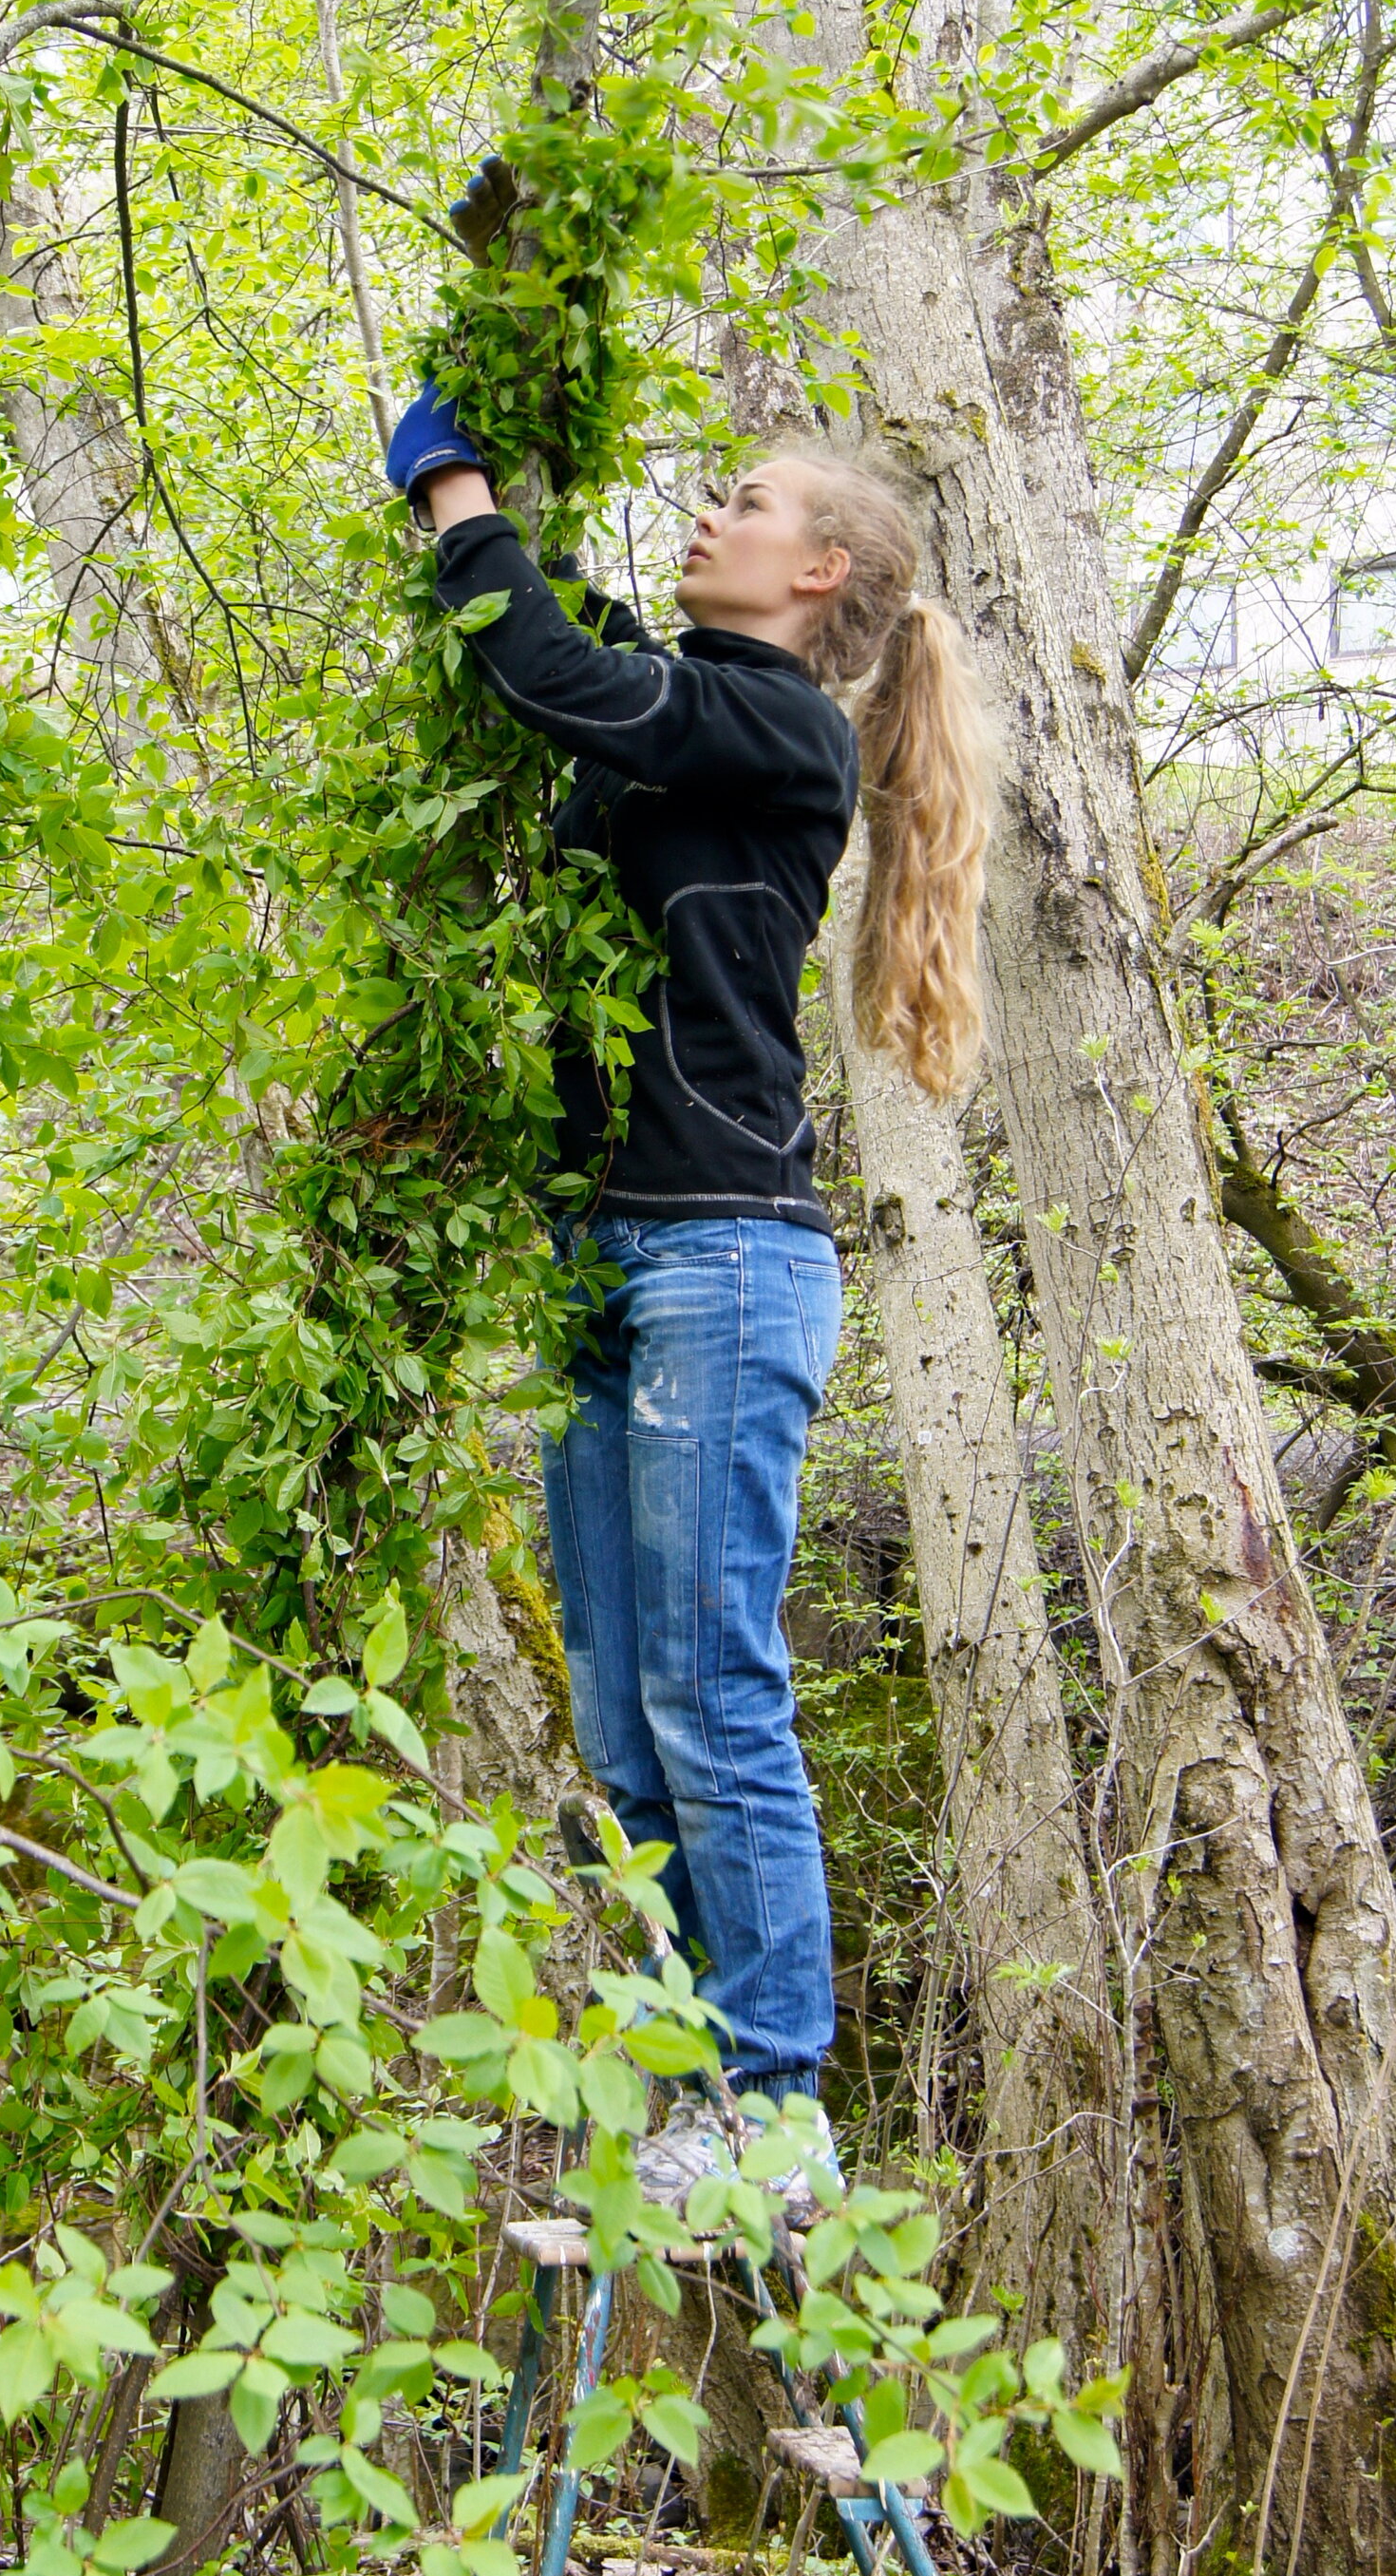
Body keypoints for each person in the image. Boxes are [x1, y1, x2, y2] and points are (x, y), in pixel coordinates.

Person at [385, 371, 992, 2208]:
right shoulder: (693, 708)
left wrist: (457, 495)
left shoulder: (780, 730)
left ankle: (779, 2096)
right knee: (617, 1703)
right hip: (606, 1248)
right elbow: (591, 684)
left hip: (724, 1255)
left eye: (743, 502)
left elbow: (563, 675)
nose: (708, 515)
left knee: (715, 1692)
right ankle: (684, 2087)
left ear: (822, 576)